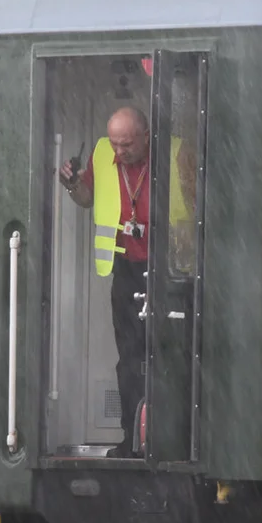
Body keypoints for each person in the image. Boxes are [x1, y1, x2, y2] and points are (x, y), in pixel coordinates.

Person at [59, 106, 193, 458]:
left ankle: (174, 439)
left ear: (147, 136)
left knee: (169, 356)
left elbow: (199, 207)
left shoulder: (177, 153)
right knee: (130, 359)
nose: (120, 152)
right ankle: (132, 438)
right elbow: (86, 199)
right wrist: (73, 183)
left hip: (170, 270)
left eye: (128, 144)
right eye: (116, 143)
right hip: (125, 268)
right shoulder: (102, 152)